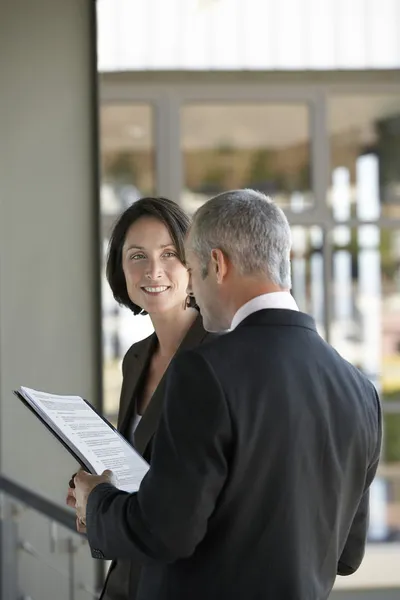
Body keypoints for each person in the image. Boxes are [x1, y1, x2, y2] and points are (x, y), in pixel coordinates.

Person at [72, 189, 382, 600]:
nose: (194, 291)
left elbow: (166, 533)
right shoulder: (361, 390)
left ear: (216, 265)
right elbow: (346, 555)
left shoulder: (205, 371)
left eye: (193, 269)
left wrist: (97, 502)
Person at [66, 197, 216, 600]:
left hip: (189, 582)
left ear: (192, 263)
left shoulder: (219, 356)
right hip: (129, 576)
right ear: (120, 269)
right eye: (137, 256)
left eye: (169, 254)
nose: (153, 270)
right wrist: (94, 493)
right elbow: (139, 467)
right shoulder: (136, 357)